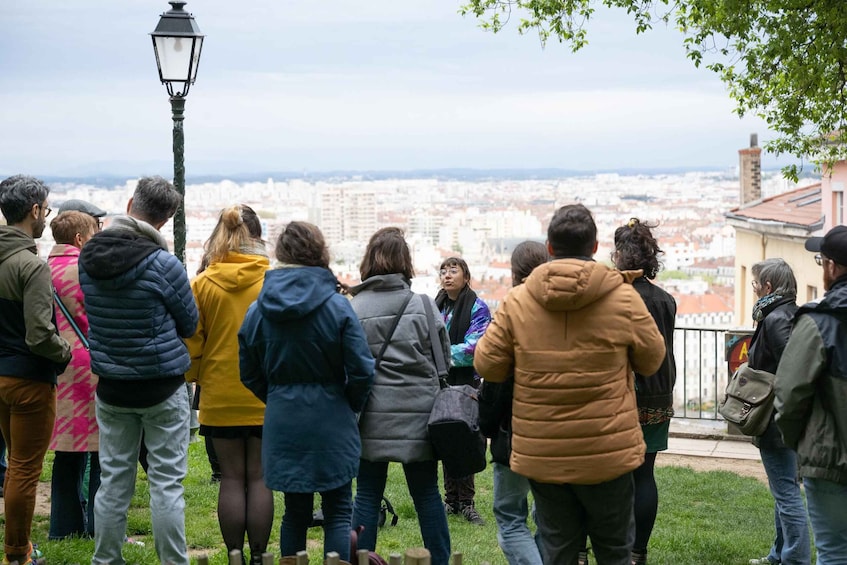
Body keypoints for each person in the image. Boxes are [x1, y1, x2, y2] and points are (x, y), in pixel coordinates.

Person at [474, 204, 666, 565]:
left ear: (549, 247)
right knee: (614, 551)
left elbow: (488, 365)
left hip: (545, 453)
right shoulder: (623, 298)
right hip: (607, 449)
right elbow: (652, 360)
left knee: (558, 549)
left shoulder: (517, 302)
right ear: (595, 248)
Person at [78, 176, 198, 565]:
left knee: (113, 483)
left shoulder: (89, 257)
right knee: (166, 485)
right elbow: (190, 323)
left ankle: (106, 559)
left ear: (130, 204)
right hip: (161, 385)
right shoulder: (164, 264)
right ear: (165, 220)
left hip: (111, 385)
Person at [238, 221, 374, 562]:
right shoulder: (338, 306)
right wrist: (348, 403)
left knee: (294, 512)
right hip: (333, 417)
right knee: (339, 511)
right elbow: (362, 369)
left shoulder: (257, 311)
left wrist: (277, 398)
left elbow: (248, 371)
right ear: (319, 253)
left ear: (280, 255)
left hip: (284, 419)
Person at [349, 227, 452, 565]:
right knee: (426, 495)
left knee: (366, 494)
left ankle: (362, 559)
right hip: (420, 417)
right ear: (405, 263)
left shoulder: (354, 308)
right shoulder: (423, 305)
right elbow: (445, 359)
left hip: (370, 415)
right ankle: (439, 560)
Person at [185, 205, 273, 565]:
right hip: (266, 392)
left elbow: (192, 345)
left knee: (232, 478)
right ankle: (260, 557)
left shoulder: (202, 283)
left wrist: (196, 376)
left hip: (220, 392)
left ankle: (234, 556)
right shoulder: (272, 279)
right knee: (261, 477)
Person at [0, 175, 72, 565]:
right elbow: (40, 334)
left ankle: (21, 547)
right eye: (45, 209)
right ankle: (17, 554)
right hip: (29, 378)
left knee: (14, 464)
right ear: (33, 211)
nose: (45, 216)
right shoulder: (31, 266)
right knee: (25, 470)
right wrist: (64, 354)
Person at [775, 225, 847, 565]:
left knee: (834, 553)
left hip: (829, 457)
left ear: (831, 267)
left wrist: (797, 441)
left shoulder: (819, 321)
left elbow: (789, 394)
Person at [612, 219, 678, 565]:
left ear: (621, 254)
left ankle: (613, 545)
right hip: (659, 392)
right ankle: (639, 552)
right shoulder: (666, 299)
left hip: (624, 392)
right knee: (645, 473)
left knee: (616, 474)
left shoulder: (617, 295)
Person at [478, 240, 547, 565]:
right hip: (558, 433)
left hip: (515, 431)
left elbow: (492, 373)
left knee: (510, 516)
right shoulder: (568, 311)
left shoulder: (511, 311)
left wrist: (489, 424)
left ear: (515, 273)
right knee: (550, 519)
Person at [47, 210, 102, 540]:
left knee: (66, 454)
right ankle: (100, 528)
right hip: (88, 367)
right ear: (80, 239)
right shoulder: (86, 269)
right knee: (101, 453)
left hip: (55, 366)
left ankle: (63, 529)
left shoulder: (41, 268)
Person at [434, 256, 491, 526]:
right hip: (443, 384)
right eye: (443, 270)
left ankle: (466, 502)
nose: (447, 275)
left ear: (466, 277)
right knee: (445, 435)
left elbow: (474, 349)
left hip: (468, 385)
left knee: (466, 439)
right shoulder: (436, 307)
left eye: (453, 270)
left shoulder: (478, 307)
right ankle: (450, 500)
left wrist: (439, 355)